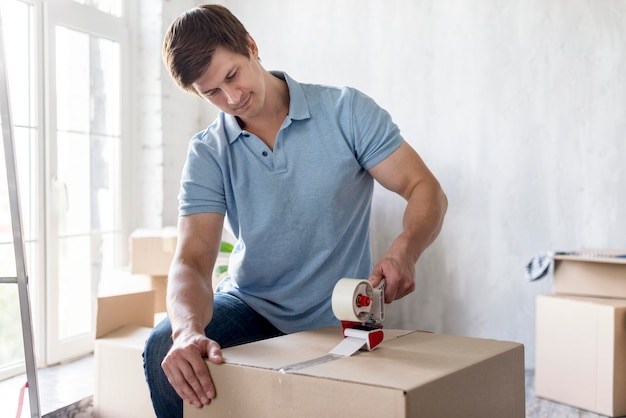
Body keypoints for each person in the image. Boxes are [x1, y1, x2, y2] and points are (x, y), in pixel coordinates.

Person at [143, 4, 448, 417]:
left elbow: (423, 187)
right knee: (165, 346)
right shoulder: (208, 152)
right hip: (253, 307)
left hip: (340, 313)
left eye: (232, 75)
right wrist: (187, 332)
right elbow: (193, 259)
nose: (231, 98)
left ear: (251, 46)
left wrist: (406, 249)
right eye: (211, 92)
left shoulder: (345, 111)